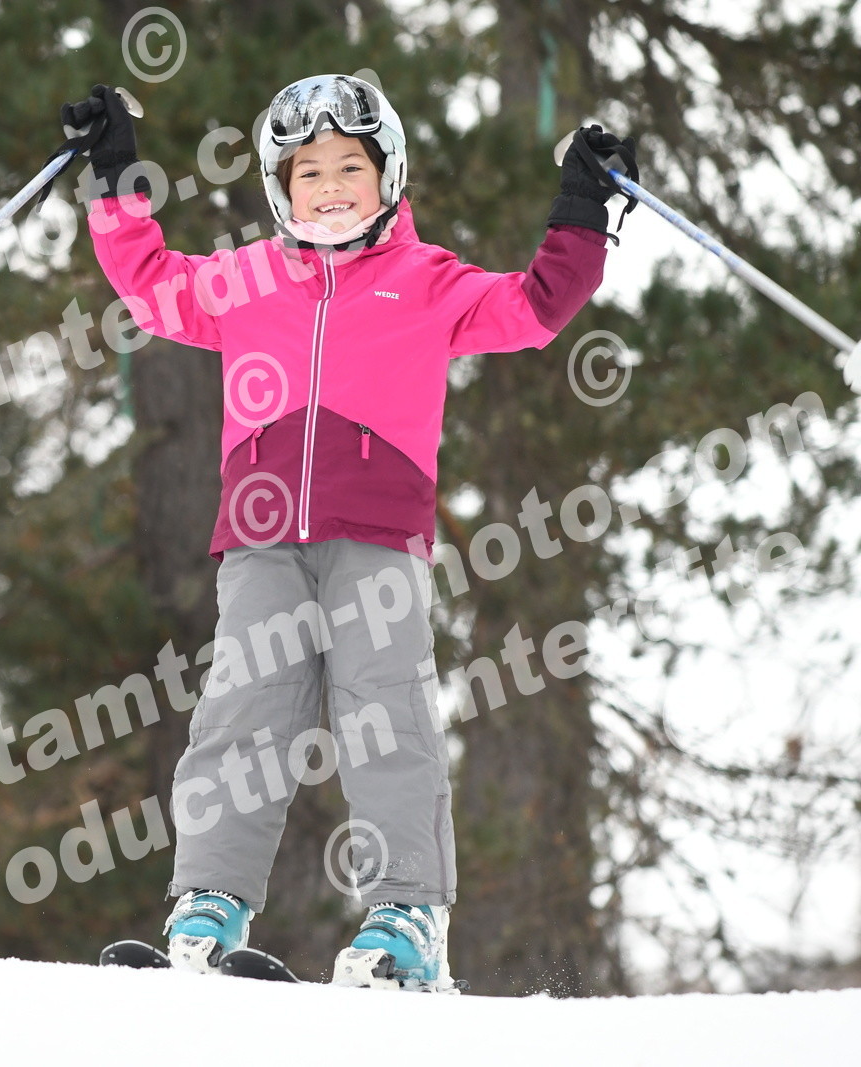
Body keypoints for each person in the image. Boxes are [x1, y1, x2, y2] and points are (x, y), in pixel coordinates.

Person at [62, 76, 636, 989]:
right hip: (259, 539)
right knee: (240, 712)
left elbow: (535, 308)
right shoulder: (246, 281)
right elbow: (153, 285)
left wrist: (584, 207)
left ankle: (408, 913)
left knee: (384, 713)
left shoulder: (428, 280)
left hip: (377, 531)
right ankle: (208, 900)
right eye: (309, 173)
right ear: (280, 188)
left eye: (350, 168)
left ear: (388, 175)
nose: (330, 188)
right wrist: (112, 173)